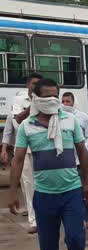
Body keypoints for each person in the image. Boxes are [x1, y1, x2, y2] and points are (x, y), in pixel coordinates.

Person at [7, 78, 88, 250]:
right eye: (47, 96)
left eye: (56, 96)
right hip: (43, 195)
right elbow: (17, 160)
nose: (53, 100)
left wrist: (86, 184)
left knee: (75, 239)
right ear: (35, 98)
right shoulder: (27, 126)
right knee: (48, 244)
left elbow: (82, 152)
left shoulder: (70, 121)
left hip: (72, 192)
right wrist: (12, 192)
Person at [1, 72, 44, 233]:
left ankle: (45, 216)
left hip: (42, 148)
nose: (35, 87)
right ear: (28, 85)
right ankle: (34, 221)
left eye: (38, 84)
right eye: (33, 84)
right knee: (28, 184)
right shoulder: (18, 101)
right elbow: (16, 121)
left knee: (43, 184)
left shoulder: (45, 99)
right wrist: (33, 105)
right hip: (25, 149)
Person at [61, 92, 88, 228]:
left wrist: (84, 150)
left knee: (84, 189)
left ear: (73, 102)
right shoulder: (59, 118)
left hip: (81, 161)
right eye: (63, 101)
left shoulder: (82, 117)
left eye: (68, 101)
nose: (65, 104)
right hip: (67, 161)